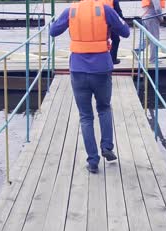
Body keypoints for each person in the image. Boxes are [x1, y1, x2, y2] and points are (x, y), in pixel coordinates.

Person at [50, 0, 130, 173]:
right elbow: (125, 32)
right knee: (104, 108)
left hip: (78, 70)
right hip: (101, 69)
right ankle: (107, 146)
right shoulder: (105, 10)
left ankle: (93, 161)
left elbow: (53, 31)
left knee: (86, 117)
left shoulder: (70, 11)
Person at [105, 0, 125, 64]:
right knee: (116, 39)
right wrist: (122, 21)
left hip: (101, 22)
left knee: (101, 40)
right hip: (111, 22)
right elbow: (118, 12)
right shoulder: (113, 1)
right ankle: (112, 59)